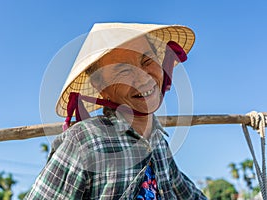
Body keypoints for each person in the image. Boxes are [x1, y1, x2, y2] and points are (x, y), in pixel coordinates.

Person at [25, 23, 207, 199]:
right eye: (124, 71)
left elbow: (184, 191)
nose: (142, 78)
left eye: (147, 61)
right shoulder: (84, 141)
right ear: (101, 87)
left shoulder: (157, 140)